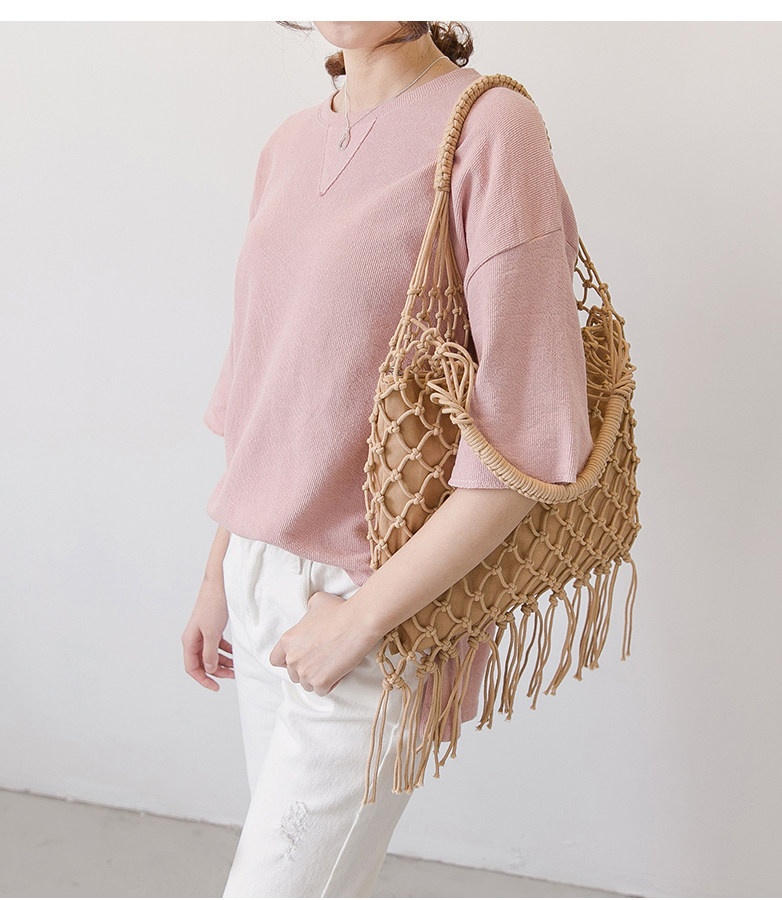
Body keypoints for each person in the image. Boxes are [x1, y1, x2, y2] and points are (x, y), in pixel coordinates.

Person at [181, 20, 593, 899]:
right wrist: (221, 572)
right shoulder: (290, 142)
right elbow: (262, 390)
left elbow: (528, 443)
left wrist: (363, 619)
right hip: (260, 581)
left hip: (386, 600)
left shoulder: (491, 127)